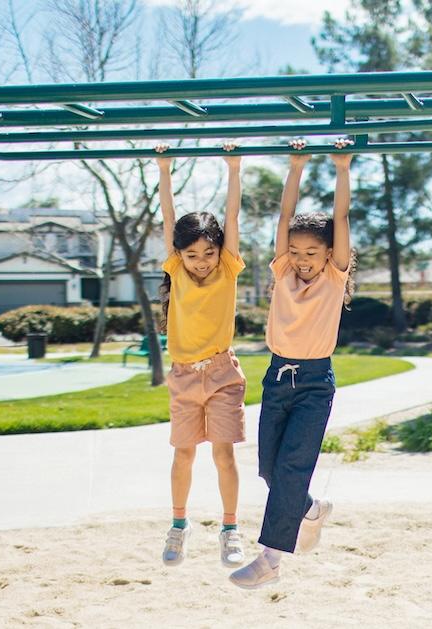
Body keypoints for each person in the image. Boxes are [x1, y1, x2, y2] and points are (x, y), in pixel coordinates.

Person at [230, 138, 356, 589]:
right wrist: (296, 165)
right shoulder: (282, 271)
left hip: (315, 382)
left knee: (291, 469)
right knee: (269, 469)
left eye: (312, 253)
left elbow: (340, 218)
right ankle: (310, 508)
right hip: (277, 376)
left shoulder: (333, 278)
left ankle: (270, 559)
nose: (303, 260)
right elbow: (284, 218)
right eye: (297, 252)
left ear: (328, 255)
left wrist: (341, 167)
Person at [155, 142, 247, 568]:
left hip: (222, 373)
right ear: (180, 254)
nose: (202, 261)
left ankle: (230, 529)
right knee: (184, 454)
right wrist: (164, 169)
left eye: (208, 253)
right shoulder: (176, 267)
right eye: (192, 254)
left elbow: (231, 217)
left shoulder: (228, 265)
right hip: (184, 378)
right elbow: (169, 219)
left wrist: (233, 167)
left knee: (224, 454)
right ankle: (178, 525)